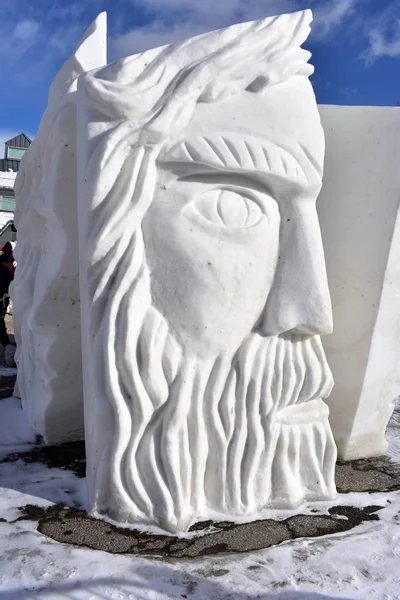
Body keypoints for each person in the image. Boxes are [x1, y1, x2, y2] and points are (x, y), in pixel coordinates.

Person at [0, 253, 16, 366]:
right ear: (4, 263)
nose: (12, 265)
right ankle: (8, 347)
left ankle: (7, 345)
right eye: (10, 263)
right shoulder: (4, 273)